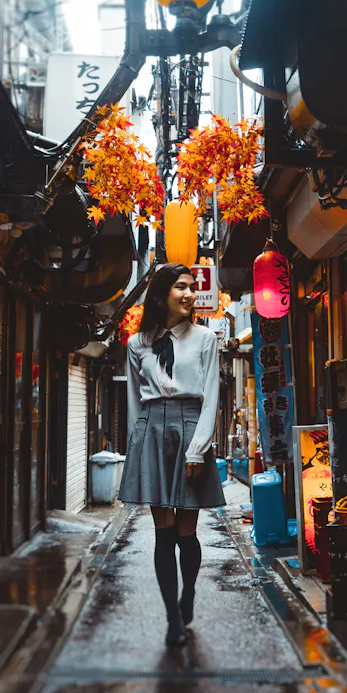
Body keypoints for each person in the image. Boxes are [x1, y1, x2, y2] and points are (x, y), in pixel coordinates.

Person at [118, 263, 225, 647]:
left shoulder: (205, 338)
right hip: (153, 431)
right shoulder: (137, 343)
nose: (189, 294)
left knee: (186, 531)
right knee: (163, 533)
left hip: (190, 428)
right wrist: (138, 446)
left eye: (192, 288)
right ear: (162, 293)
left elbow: (211, 395)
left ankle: (189, 592)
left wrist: (199, 447)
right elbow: (134, 399)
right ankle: (171, 620)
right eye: (181, 287)